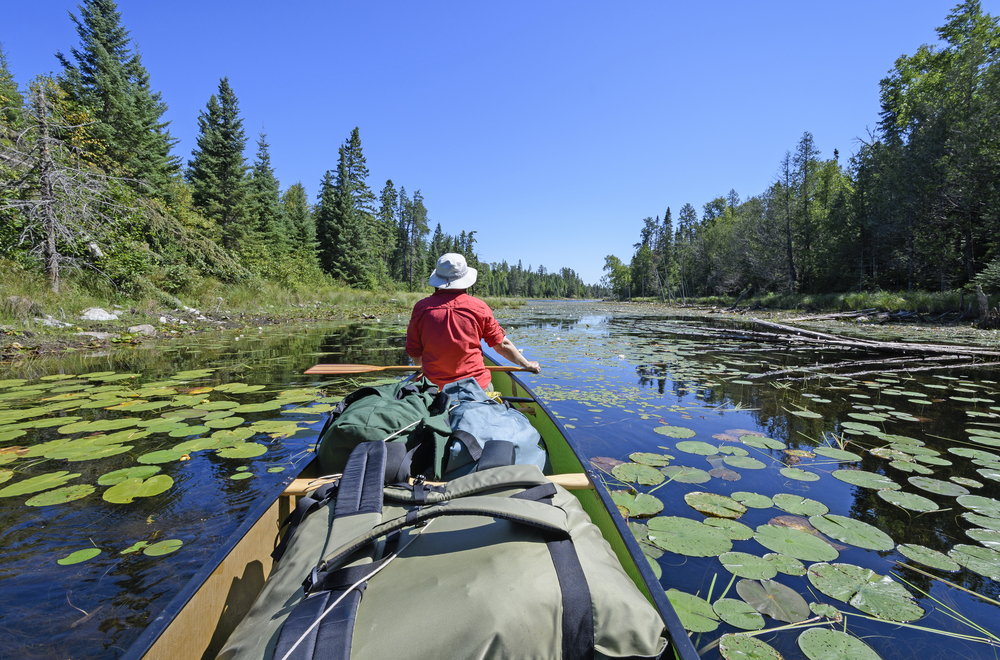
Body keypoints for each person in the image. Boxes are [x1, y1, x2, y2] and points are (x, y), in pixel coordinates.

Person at [406, 253, 540, 389]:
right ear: (465, 280)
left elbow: (415, 353)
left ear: (438, 280)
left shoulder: (421, 308)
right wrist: (527, 364)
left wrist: (436, 369)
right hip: (476, 386)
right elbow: (502, 346)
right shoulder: (479, 307)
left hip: (434, 387)